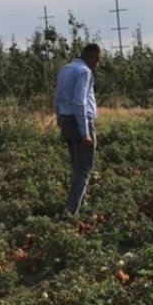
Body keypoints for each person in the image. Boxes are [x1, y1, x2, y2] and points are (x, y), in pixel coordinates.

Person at [53, 43, 101, 216]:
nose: (97, 63)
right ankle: (70, 211)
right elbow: (79, 102)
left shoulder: (65, 69)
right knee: (84, 170)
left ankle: (81, 203)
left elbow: (57, 96)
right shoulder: (84, 72)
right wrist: (85, 133)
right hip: (79, 121)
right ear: (90, 56)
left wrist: (59, 118)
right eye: (96, 59)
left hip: (66, 120)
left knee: (76, 165)